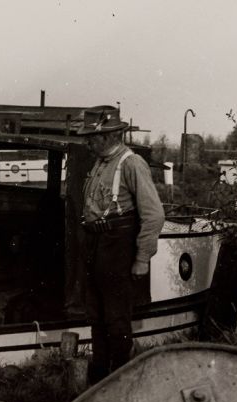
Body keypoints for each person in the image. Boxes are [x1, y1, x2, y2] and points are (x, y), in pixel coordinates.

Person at [78, 106, 165, 383]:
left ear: (108, 136)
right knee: (97, 316)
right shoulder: (100, 163)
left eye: (92, 137)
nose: (88, 142)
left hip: (118, 247)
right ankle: (99, 379)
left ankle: (119, 381)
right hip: (96, 244)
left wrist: (142, 258)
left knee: (116, 321)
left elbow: (153, 214)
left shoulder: (132, 163)